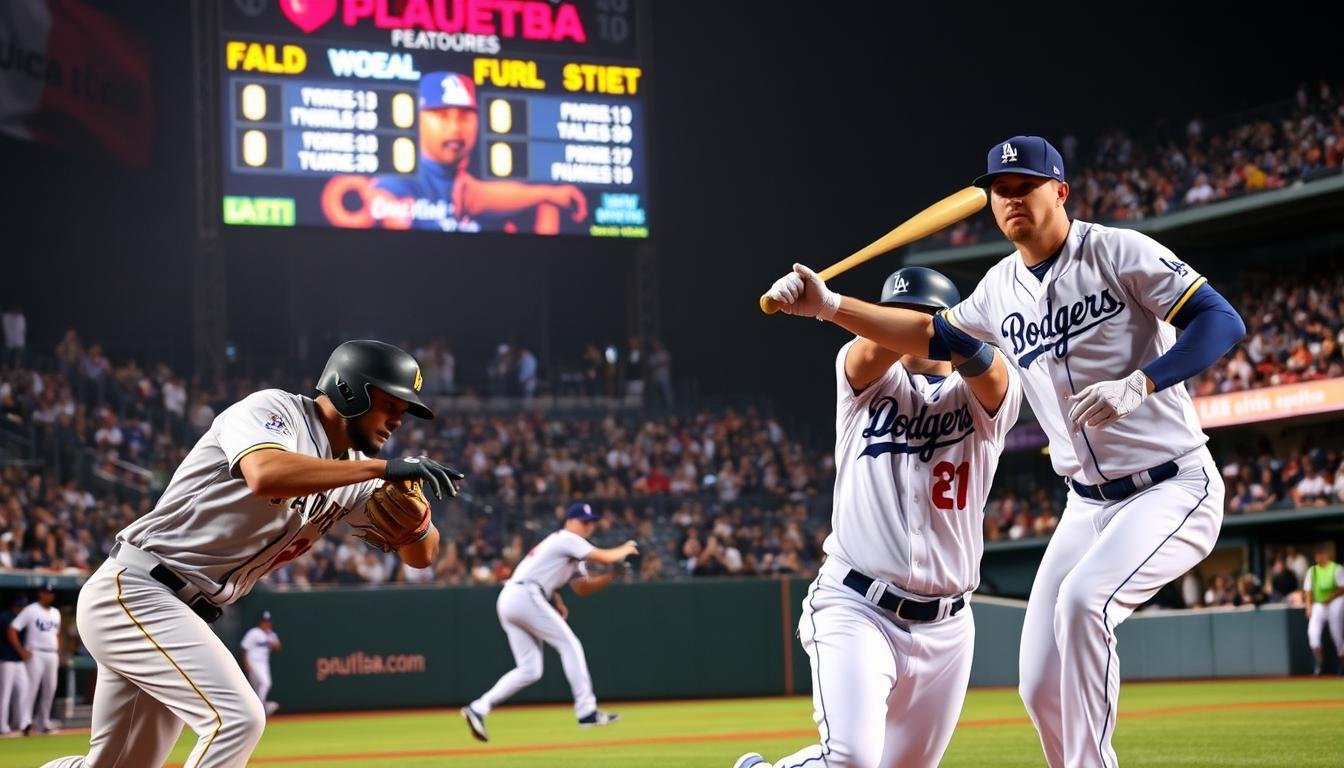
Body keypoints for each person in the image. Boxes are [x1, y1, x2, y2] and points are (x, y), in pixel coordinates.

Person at [759, 135, 1244, 768]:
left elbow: (1221, 319)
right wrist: (829, 307)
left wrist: (1143, 381)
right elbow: (933, 332)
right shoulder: (996, 290)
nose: (1011, 199)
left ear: (1060, 190)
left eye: (1025, 186)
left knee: (1084, 603)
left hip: (1172, 483)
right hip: (1087, 504)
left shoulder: (1117, 251)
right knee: (1039, 685)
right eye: (1000, 191)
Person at [38, 340, 464, 768]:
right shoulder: (273, 411)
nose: (397, 421)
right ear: (350, 390)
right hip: (136, 588)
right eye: (390, 404)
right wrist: (384, 468)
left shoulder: (352, 472)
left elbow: (421, 557)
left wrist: (419, 519)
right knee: (237, 719)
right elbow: (265, 474)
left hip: (178, 611)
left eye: (403, 411)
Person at [736, 267, 1022, 768]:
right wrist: (835, 309)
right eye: (896, 316)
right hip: (857, 607)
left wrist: (831, 306)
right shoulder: (862, 375)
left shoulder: (987, 395)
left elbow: (988, 371)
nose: (909, 327)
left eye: (924, 317)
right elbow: (876, 344)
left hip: (948, 628)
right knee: (852, 761)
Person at [461, 502, 637, 741]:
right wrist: (626, 548)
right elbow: (604, 556)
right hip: (524, 595)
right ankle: (586, 712)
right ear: (570, 521)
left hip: (514, 597)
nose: (588, 526)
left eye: (591, 522)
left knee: (530, 669)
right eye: (584, 521)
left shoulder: (570, 549)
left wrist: (611, 576)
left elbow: (582, 588)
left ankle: (478, 708)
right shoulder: (567, 538)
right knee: (570, 645)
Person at [365, 71, 588, 233]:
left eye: (464, 116)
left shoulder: (484, 177)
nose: (455, 128)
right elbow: (381, 201)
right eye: (442, 116)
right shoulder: (401, 178)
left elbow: (479, 196)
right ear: (418, 119)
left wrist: (548, 196)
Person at [9, 582, 61, 735]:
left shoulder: (56, 612)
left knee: (50, 688)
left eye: (50, 593)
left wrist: (58, 650)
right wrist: (21, 650)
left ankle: (44, 722)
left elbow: (56, 634)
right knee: (32, 687)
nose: (48, 595)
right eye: (45, 592)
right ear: (40, 593)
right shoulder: (31, 610)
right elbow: (13, 629)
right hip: (35, 652)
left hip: (51, 653)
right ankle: (25, 722)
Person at [1303, 542, 1344, 675]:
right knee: (1313, 633)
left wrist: (1330, 598)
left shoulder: (1336, 568)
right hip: (1320, 604)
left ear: (1327, 555)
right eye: (1317, 555)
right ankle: (1320, 665)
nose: (1319, 557)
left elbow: (1342, 588)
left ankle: (1342, 665)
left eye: (1321, 554)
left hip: (1335, 601)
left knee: (1336, 633)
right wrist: (1308, 606)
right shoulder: (1313, 570)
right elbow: (1308, 591)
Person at [240, 611, 281, 715]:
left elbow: (278, 648)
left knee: (262, 685)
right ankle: (261, 708)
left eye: (268, 621)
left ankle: (259, 709)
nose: (266, 623)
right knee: (264, 684)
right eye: (264, 621)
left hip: (263, 664)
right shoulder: (254, 632)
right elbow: (244, 648)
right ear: (260, 622)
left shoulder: (271, 634)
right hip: (253, 662)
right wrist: (246, 662)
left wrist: (273, 642)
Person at [0, 595, 30, 734]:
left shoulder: (22, 619)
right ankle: (2, 725)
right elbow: (10, 634)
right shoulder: (6, 617)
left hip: (18, 661)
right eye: (18, 606)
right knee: (5, 693)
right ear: (13, 606)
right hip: (6, 660)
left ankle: (19, 723)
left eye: (22, 606)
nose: (20, 608)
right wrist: (22, 650)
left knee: (23, 689)